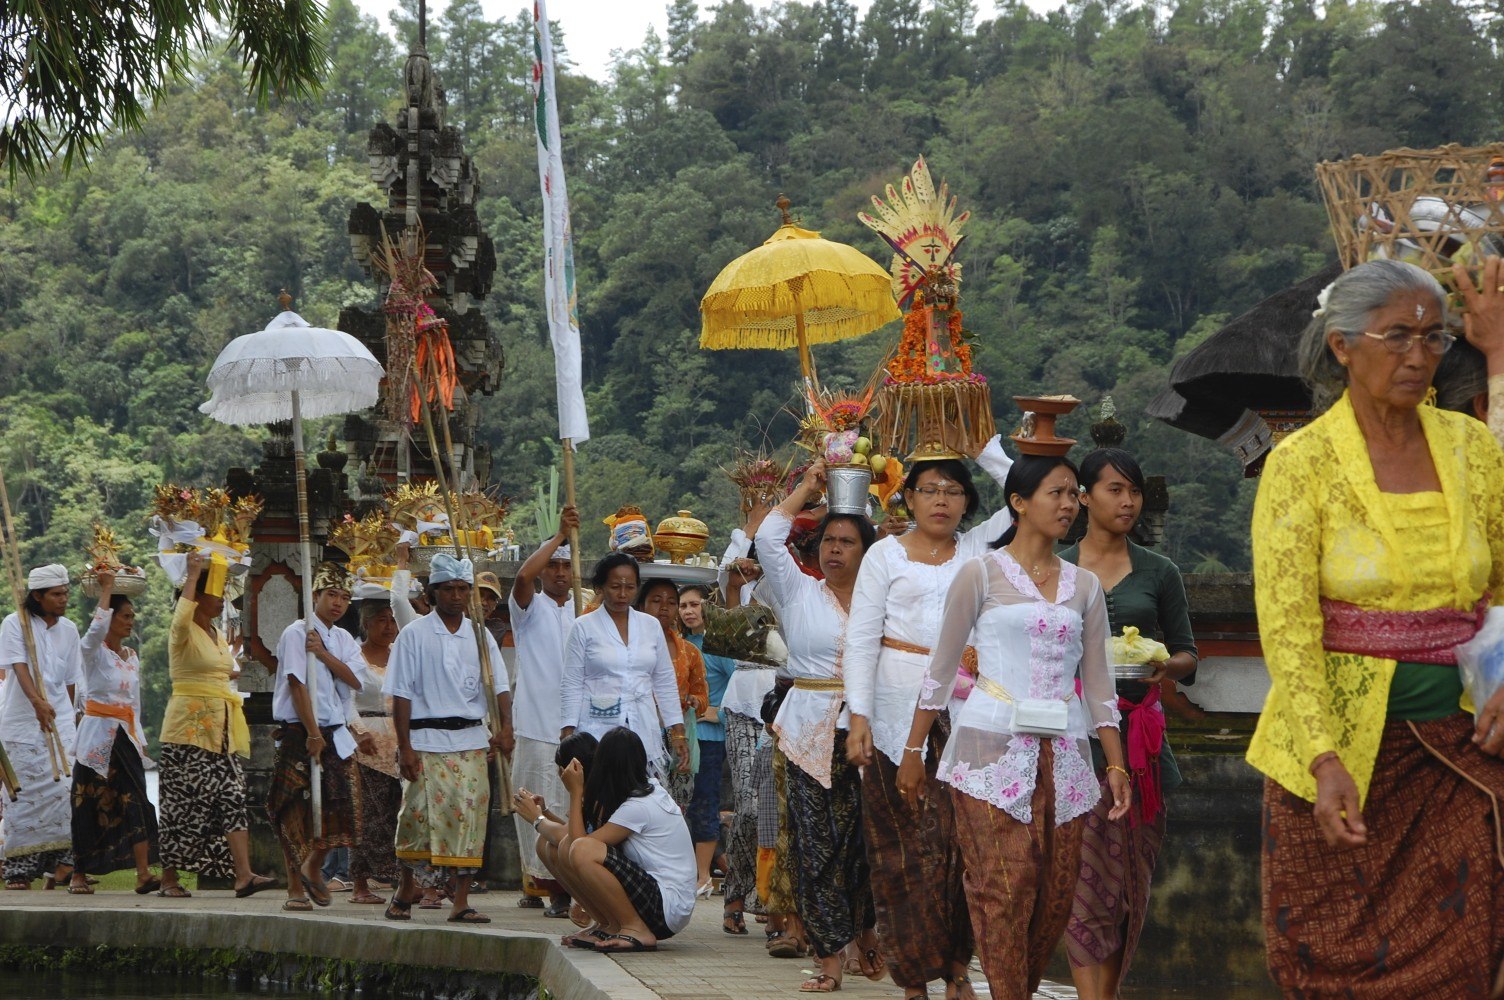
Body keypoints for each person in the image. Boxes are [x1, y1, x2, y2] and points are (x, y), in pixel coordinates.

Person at [1252, 258, 1504, 998]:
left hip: (1460, 751)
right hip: (1338, 761)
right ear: (1342, 345)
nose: (1418, 357)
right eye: (1397, 336)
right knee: (1327, 960)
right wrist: (1323, 758)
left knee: (1464, 956)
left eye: (1433, 338)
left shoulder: (1472, 449)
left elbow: (1501, 584)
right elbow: (1288, 625)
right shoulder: (1301, 464)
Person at [901, 454, 1131, 999]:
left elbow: (1099, 683)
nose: (1069, 504)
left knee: (1054, 894)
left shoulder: (1084, 586)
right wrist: (914, 749)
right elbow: (941, 668)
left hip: (1067, 756)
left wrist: (1116, 763)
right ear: (1019, 502)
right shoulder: (980, 573)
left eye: (1074, 494)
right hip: (989, 748)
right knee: (1003, 885)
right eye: (1057, 493)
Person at [843, 435, 1015, 1000]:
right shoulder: (884, 555)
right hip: (893, 712)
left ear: (968, 501)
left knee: (963, 844)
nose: (941, 500)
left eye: (954, 490)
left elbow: (1024, 493)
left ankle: (959, 966)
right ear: (908, 497)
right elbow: (861, 639)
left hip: (968, 711)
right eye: (929, 489)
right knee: (898, 847)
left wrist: (980, 442)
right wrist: (859, 717)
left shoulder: (981, 549)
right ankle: (913, 976)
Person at [1059, 448, 1199, 999]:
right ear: (1084, 497)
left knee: (1127, 884)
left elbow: (1188, 653)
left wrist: (1165, 665)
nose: (1128, 501)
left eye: (1134, 491)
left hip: (1141, 742)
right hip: (1074, 740)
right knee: (1081, 882)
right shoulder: (1058, 568)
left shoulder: (1160, 571)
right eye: (1115, 489)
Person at [753, 461, 881, 993]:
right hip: (808, 733)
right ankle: (829, 958)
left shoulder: (883, 601)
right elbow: (767, 537)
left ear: (867, 552)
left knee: (866, 843)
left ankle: (866, 935)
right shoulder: (798, 592)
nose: (834, 550)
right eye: (828, 540)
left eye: (847, 542)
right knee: (815, 846)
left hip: (869, 731)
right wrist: (807, 488)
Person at [383, 553, 513, 925]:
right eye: (448, 589)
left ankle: (461, 902)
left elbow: (499, 686)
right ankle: (406, 888)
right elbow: (401, 694)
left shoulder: (480, 635)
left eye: (462, 589)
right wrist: (405, 746)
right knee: (416, 818)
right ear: (432, 593)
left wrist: (506, 727)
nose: (456, 596)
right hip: (425, 740)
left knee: (470, 818)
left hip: (471, 739)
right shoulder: (413, 634)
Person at [156, 552, 275, 898]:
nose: (222, 599)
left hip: (222, 731)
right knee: (182, 803)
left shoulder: (216, 633)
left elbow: (218, 670)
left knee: (234, 797)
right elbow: (182, 614)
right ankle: (168, 879)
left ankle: (243, 875)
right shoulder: (183, 630)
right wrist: (193, 574)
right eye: (216, 592)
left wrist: (236, 669)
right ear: (196, 597)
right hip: (188, 730)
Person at [541, 726, 697, 953]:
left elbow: (579, 845)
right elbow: (570, 843)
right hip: (660, 901)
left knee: (582, 850)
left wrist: (575, 793)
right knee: (555, 847)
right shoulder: (640, 793)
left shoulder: (639, 806)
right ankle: (607, 924)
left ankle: (636, 929)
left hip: (665, 908)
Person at [268, 562, 368, 912]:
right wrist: (312, 732)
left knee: (344, 808)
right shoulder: (297, 633)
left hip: (336, 733)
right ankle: (295, 888)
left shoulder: (342, 639)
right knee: (294, 810)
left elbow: (357, 680)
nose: (338, 603)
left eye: (344, 597)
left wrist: (323, 654)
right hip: (302, 731)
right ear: (316, 595)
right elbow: (297, 684)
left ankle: (314, 865)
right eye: (331, 595)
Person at [508, 505, 582, 916]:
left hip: (576, 728)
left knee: (568, 807)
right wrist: (559, 537)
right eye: (552, 565)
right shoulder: (529, 607)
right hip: (536, 726)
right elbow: (522, 577)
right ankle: (540, 883)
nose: (559, 572)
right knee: (535, 804)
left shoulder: (584, 610)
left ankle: (566, 887)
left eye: (566, 565)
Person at [559, 554, 688, 785]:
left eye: (629, 587)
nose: (622, 594)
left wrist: (677, 731)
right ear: (600, 587)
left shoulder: (651, 626)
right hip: (596, 727)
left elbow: (664, 680)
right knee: (602, 791)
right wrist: (568, 734)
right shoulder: (583, 626)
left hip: (642, 721)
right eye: (615, 586)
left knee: (643, 790)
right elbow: (571, 682)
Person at [68, 568, 160, 893]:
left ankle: (143, 873)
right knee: (86, 801)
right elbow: (95, 629)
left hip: (125, 735)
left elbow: (134, 703)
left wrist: (141, 741)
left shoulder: (131, 657)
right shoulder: (92, 652)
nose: (131, 621)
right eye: (125, 615)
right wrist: (106, 589)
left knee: (136, 798)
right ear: (110, 618)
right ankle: (78, 874)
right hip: (96, 736)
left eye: (132, 616)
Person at [716, 519, 779, 933]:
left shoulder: (799, 585)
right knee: (750, 806)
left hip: (787, 706)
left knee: (775, 807)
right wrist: (748, 529)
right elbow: (726, 576)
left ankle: (771, 900)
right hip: (743, 705)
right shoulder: (739, 586)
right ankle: (737, 891)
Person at [1, 564, 81, 889]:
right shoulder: (14, 623)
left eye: (65, 593)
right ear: (38, 596)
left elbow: (71, 680)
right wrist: (36, 702)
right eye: (56, 594)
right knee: (23, 799)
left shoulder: (70, 630)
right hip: (23, 724)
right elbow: (19, 666)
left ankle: (61, 866)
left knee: (66, 793)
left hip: (60, 724)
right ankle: (18, 871)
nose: (64, 599)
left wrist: (68, 719)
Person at [677, 584, 736, 903]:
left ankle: (703, 877)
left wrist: (717, 713)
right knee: (679, 805)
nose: (688, 611)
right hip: (681, 738)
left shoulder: (718, 645)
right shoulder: (679, 644)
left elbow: (742, 685)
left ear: (707, 607)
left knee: (704, 804)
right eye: (683, 605)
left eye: (694, 604)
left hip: (710, 741)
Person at [346, 593, 402, 904]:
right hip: (365, 741)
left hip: (399, 741)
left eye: (392, 620)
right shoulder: (354, 657)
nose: (389, 626)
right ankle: (360, 884)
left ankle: (403, 880)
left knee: (399, 813)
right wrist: (359, 731)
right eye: (381, 620)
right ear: (366, 624)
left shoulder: (401, 655)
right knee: (366, 814)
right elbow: (346, 700)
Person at [513, 731, 598, 931]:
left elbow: (575, 840)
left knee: (561, 845)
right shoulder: (590, 790)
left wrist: (536, 818)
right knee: (546, 842)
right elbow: (574, 832)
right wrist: (544, 812)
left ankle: (596, 914)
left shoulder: (596, 792)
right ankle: (593, 912)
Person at [635, 577, 706, 812]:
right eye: (656, 600)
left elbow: (701, 695)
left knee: (677, 805)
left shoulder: (690, 651)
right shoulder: (628, 646)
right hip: (640, 729)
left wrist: (695, 701)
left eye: (671, 602)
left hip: (680, 732)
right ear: (642, 605)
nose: (664, 607)